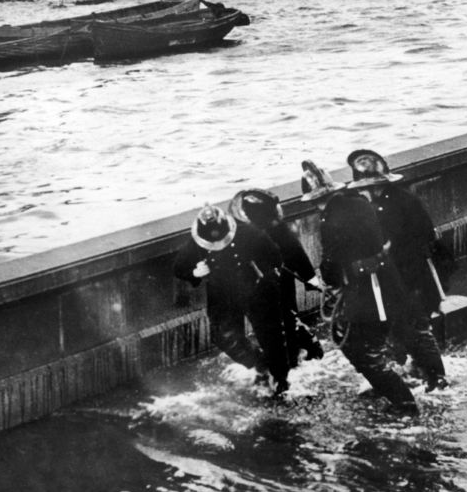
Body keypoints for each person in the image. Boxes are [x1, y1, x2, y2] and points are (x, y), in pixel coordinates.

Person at [301, 159, 439, 414]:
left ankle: (405, 403)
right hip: (390, 283)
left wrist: (329, 278)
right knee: (408, 331)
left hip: (369, 291)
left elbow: (332, 264)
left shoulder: (330, 219)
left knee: (361, 351)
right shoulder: (359, 204)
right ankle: (434, 380)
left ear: (312, 200)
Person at [346, 149, 448, 390]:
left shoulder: (405, 200)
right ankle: (404, 368)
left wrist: (396, 247)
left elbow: (426, 234)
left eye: (375, 185)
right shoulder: (361, 206)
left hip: (410, 274)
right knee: (392, 326)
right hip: (384, 278)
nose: (370, 191)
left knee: (417, 326)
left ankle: (437, 377)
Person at [173, 204, 292, 396]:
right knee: (224, 337)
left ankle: (280, 380)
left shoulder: (249, 232)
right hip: (222, 294)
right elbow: (179, 268)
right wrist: (194, 273)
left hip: (255, 289)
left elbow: (275, 257)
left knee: (271, 337)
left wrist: (265, 275)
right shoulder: (198, 241)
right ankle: (260, 364)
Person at [229, 188, 325, 365]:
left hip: (278, 279)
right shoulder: (248, 230)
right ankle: (294, 354)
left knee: (285, 319)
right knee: (275, 324)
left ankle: (302, 352)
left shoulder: (273, 228)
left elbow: (294, 250)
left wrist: (310, 278)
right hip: (258, 285)